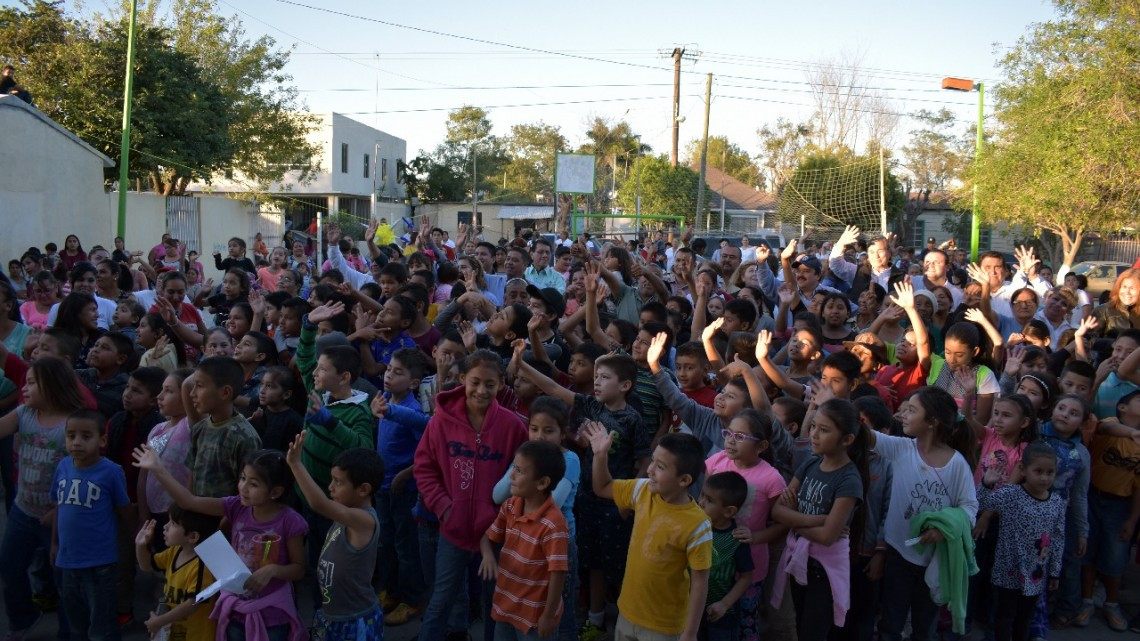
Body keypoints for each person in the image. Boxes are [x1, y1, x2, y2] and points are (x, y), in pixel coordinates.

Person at [133, 447, 308, 641]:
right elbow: (188, 501)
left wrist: (273, 570)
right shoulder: (236, 506)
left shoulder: (291, 522)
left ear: (275, 492)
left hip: (272, 615)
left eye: (253, 483)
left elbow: (299, 569)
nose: (243, 487)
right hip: (235, 610)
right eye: (242, 478)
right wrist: (158, 469)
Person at [413, 350, 528, 641]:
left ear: (502, 384)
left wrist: (503, 518)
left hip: (496, 535)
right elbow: (424, 468)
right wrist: (443, 506)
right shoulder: (440, 422)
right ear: (462, 379)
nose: (481, 390)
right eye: (475, 382)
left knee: (496, 604)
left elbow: (523, 478)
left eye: (490, 384)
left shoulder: (513, 426)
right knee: (441, 600)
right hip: (452, 530)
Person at [582, 426, 712, 641]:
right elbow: (603, 487)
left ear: (684, 480)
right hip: (628, 612)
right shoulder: (642, 490)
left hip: (663, 627)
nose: (650, 469)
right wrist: (600, 455)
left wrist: (690, 633)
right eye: (652, 461)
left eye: (660, 466)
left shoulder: (698, 525)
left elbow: (700, 581)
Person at [873, 387, 979, 641]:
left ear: (932, 421)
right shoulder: (901, 449)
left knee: (925, 626)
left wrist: (943, 529)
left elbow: (969, 508)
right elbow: (864, 436)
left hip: (934, 560)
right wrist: (830, 403)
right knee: (890, 622)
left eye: (912, 410)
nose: (903, 414)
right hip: (898, 553)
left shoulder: (957, 465)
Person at [0, 358, 87, 640]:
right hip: (22, 510)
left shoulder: (74, 424)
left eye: (32, 382)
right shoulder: (25, 413)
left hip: (59, 517)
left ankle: (68, 631)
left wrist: (60, 511)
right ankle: (23, 617)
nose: (24, 388)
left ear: (52, 384)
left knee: (65, 581)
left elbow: (81, 477)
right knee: (10, 567)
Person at [770, 399, 867, 641]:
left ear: (847, 440)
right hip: (799, 559)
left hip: (823, 570)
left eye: (823, 430)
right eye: (813, 427)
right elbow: (777, 511)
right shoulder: (812, 463)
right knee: (800, 623)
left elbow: (828, 537)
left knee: (812, 633)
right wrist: (817, 519)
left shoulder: (849, 479)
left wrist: (796, 520)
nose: (813, 435)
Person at [287, 436, 386, 641]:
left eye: (338, 482)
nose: (331, 487)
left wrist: (296, 464)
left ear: (363, 489)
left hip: (354, 620)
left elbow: (319, 504)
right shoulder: (346, 510)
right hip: (330, 614)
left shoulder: (364, 520)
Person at [53, 409, 133, 641]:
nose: (76, 442)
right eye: (71, 436)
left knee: (102, 627)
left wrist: (135, 540)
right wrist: (54, 543)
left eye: (86, 436)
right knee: (76, 623)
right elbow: (59, 507)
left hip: (100, 563)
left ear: (102, 440)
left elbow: (124, 509)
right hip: (68, 561)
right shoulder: (63, 467)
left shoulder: (111, 471)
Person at [479, 439, 570, 640]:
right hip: (505, 605)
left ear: (543, 483)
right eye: (514, 468)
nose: (511, 475)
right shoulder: (510, 506)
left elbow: (558, 574)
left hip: (535, 618)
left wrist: (547, 616)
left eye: (519, 471)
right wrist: (487, 556)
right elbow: (487, 538)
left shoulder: (553, 525)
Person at [978, 442, 1067, 641]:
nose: (1044, 477)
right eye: (1038, 471)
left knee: (1024, 618)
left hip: (1036, 573)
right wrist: (985, 483)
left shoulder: (1057, 503)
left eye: (1050, 472)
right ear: (1023, 470)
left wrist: (1054, 571)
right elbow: (981, 503)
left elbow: (1058, 539)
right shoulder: (1011, 494)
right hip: (1008, 569)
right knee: (1004, 616)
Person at [134, 507, 221, 641]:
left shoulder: (202, 566)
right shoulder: (174, 551)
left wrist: (160, 621)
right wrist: (140, 545)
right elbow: (146, 566)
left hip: (196, 634)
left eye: (173, 524)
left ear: (192, 536)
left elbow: (192, 604)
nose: (165, 527)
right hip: (174, 630)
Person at [182, 357, 262, 498]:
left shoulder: (245, 438)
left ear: (225, 392)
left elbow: (246, 490)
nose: (192, 393)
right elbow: (192, 473)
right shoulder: (199, 428)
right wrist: (188, 505)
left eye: (199, 386)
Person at [697, 471, 755, 641]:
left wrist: (724, 604)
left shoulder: (736, 539)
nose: (701, 503)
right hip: (691, 608)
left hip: (721, 615)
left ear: (729, 511)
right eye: (702, 496)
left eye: (710, 500)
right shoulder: (695, 528)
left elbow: (746, 577)